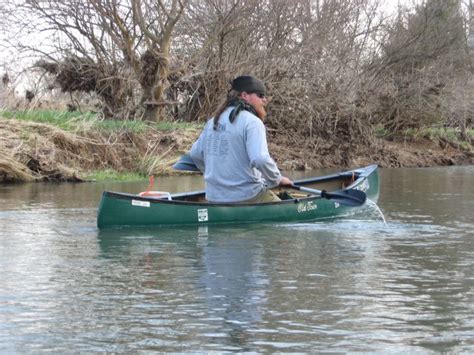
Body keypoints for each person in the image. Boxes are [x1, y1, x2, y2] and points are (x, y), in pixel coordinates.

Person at [189, 75, 293, 203]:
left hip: (214, 197)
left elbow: (195, 154)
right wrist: (277, 180)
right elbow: (260, 159)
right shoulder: (253, 122)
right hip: (248, 196)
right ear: (244, 95)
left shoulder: (212, 122)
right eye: (260, 95)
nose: (265, 100)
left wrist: (216, 175)